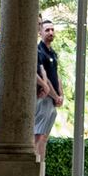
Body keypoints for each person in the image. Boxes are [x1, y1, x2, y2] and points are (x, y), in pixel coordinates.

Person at [35, 19, 63, 163]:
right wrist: (55, 95)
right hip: (44, 98)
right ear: (40, 33)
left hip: (52, 100)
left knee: (44, 136)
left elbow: (56, 75)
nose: (51, 32)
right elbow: (45, 78)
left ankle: (41, 168)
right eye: (47, 30)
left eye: (52, 29)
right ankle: (36, 165)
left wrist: (61, 95)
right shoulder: (39, 51)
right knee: (39, 135)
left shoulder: (53, 53)